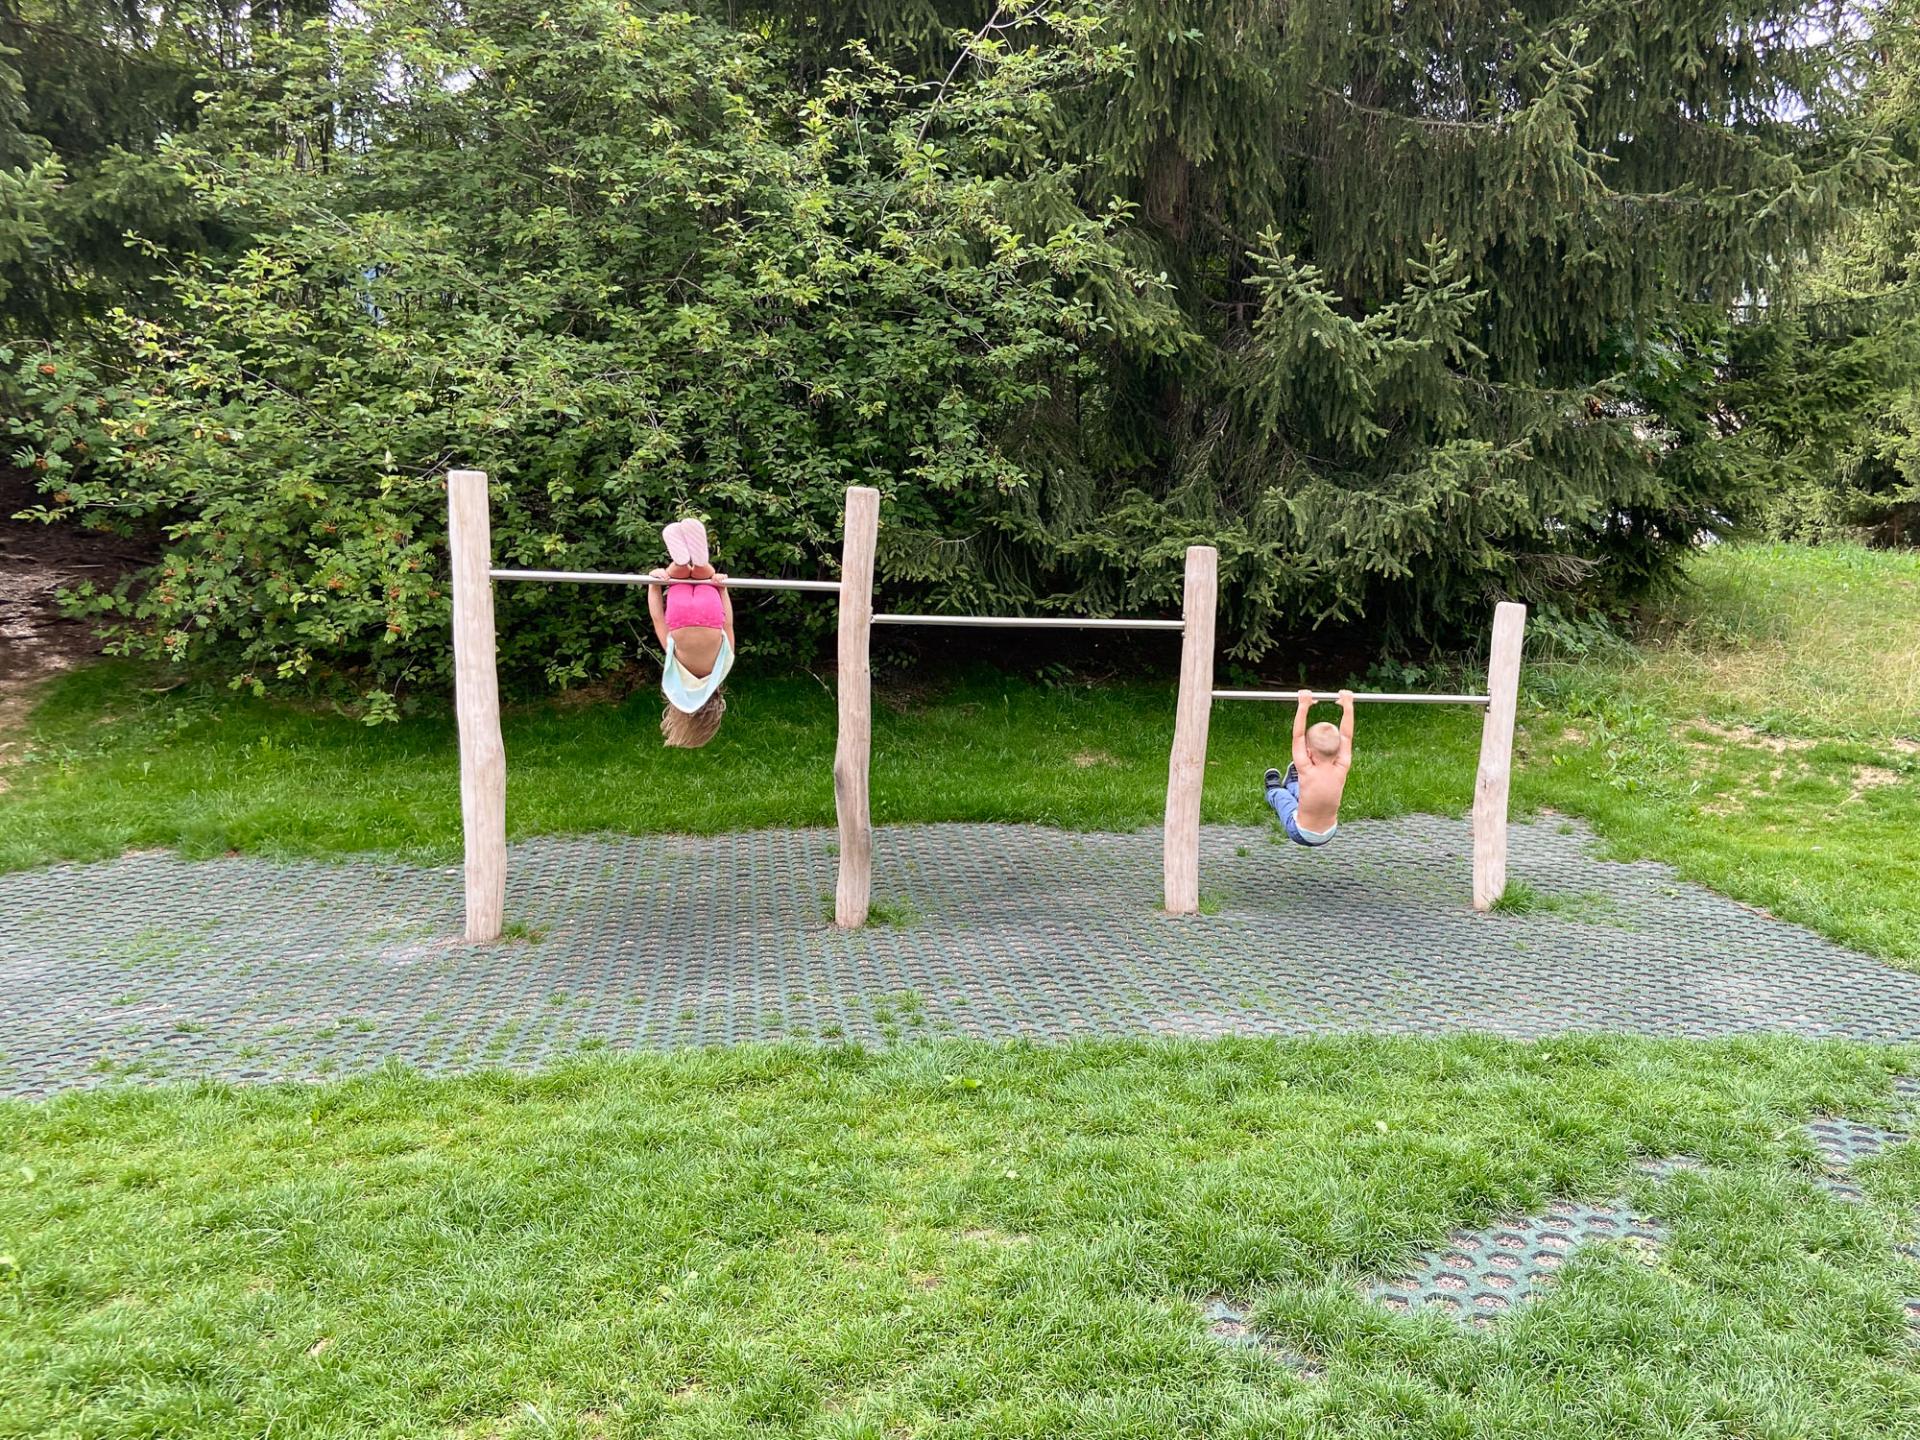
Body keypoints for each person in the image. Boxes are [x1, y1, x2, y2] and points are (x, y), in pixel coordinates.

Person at [645, 518, 733, 748]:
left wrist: (721, 588)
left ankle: (701, 563)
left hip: (711, 614)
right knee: (678, 574)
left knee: (705, 574)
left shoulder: (721, 665)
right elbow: (657, 620)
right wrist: (654, 584)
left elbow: (729, 625)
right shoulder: (676, 666)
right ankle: (679, 562)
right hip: (679, 616)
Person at [1264, 689, 1354, 846]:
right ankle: (1293, 782)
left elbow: (1297, 736)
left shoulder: (1305, 768)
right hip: (1329, 832)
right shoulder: (1342, 766)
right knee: (1302, 792)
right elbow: (1346, 736)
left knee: (1284, 798)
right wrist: (1348, 705)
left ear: (1308, 753)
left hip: (1299, 832)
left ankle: (1273, 790)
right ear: (1339, 750)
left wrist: (1303, 705)